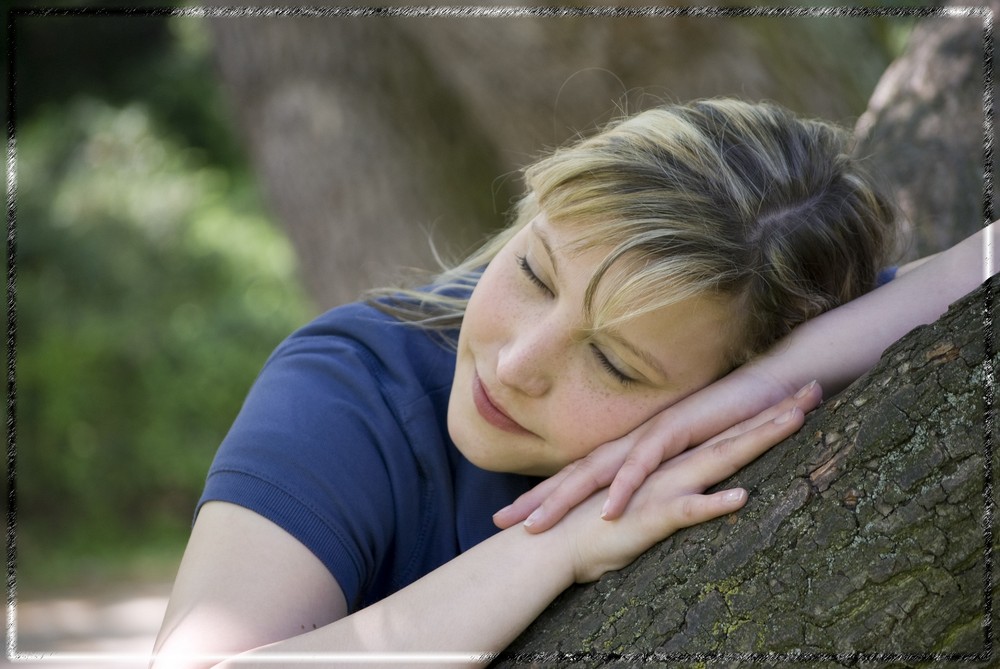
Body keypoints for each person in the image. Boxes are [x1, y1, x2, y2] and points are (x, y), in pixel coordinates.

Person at [150, 98, 994, 668]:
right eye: (535, 272)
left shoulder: (780, 375)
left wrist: (761, 386)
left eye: (615, 363)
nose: (515, 363)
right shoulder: (354, 384)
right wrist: (553, 543)